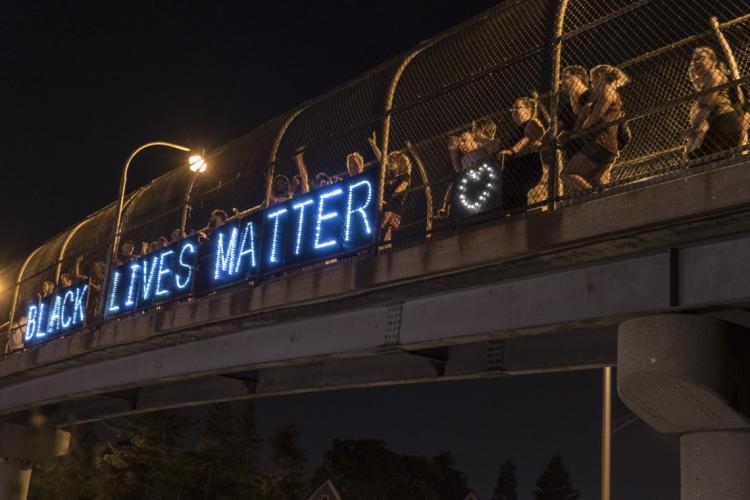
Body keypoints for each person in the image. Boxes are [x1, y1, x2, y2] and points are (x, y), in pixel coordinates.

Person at [561, 64, 629, 194]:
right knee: (597, 181)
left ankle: (591, 195)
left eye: (593, 80)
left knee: (567, 173)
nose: (592, 85)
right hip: (606, 145)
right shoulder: (602, 94)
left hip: (600, 142)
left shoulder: (607, 91)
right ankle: (604, 200)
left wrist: (579, 132)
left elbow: (594, 117)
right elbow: (580, 111)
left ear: (599, 77)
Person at [682, 47, 745, 160]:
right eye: (693, 60)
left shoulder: (713, 74)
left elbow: (708, 102)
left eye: (700, 58)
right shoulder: (715, 78)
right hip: (725, 123)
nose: (695, 62)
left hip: (724, 121)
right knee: (718, 159)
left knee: (697, 159)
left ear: (712, 61)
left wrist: (696, 125)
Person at [498, 97, 546, 210]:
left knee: (518, 195)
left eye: (517, 107)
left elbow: (527, 138)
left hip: (527, 166)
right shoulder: (514, 131)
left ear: (528, 109)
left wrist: (512, 151)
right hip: (513, 171)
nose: (513, 111)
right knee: (508, 197)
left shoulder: (533, 121)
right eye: (512, 108)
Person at [559, 65, 591, 159]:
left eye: (566, 77)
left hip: (590, 145)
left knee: (570, 173)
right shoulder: (567, 107)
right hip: (573, 150)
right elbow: (558, 126)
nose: (562, 81)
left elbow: (582, 114)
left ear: (578, 76)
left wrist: (574, 131)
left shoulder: (591, 95)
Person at [381, 151, 412, 242]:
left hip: (395, 208)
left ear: (399, 162)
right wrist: (374, 146)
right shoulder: (390, 178)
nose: (390, 163)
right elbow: (382, 160)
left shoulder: (405, 176)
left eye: (392, 161)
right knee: (384, 233)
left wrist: (393, 194)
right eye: (389, 161)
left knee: (384, 229)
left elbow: (403, 186)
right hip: (386, 205)